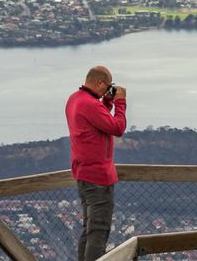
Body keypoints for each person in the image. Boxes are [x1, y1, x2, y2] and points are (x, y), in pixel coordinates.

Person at [65, 66, 128, 261]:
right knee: (99, 231)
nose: (108, 90)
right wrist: (120, 102)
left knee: (89, 229)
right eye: (107, 86)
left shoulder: (75, 99)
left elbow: (98, 120)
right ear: (100, 83)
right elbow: (117, 127)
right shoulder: (91, 105)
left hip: (83, 175)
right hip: (98, 178)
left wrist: (107, 101)